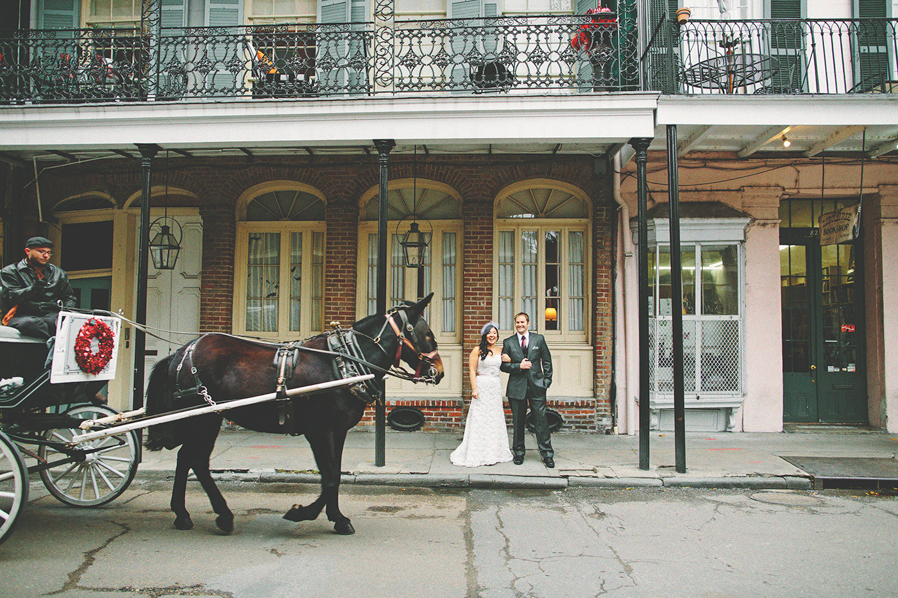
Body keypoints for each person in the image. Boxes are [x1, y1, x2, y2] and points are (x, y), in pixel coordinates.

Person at [450, 322, 514, 468]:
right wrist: (474, 389)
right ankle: (477, 452)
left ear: (497, 335)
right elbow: (472, 371)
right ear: (485, 335)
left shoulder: (501, 351)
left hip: (495, 387)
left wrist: (510, 360)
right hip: (482, 385)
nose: (492, 335)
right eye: (489, 333)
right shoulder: (477, 350)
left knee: (494, 418)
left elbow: (508, 365)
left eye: (494, 333)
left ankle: (494, 452)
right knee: (480, 418)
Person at [500, 312, 555, 467]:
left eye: (522, 322)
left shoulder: (539, 339)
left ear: (528, 323)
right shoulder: (509, 342)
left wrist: (547, 381)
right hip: (517, 387)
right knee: (518, 422)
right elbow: (503, 366)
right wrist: (519, 366)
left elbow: (547, 360)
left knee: (541, 420)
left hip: (537, 386)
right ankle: (519, 453)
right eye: (517, 322)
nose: (520, 325)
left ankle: (547, 454)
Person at [0, 236, 76, 339]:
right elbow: (11, 296)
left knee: (69, 323)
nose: (46, 256)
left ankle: (55, 341)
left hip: (51, 314)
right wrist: (32, 290)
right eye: (41, 251)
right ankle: (54, 341)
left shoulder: (58, 273)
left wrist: (66, 314)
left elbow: (69, 297)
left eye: (49, 253)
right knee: (32, 324)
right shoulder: (11, 271)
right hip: (22, 315)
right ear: (28, 251)